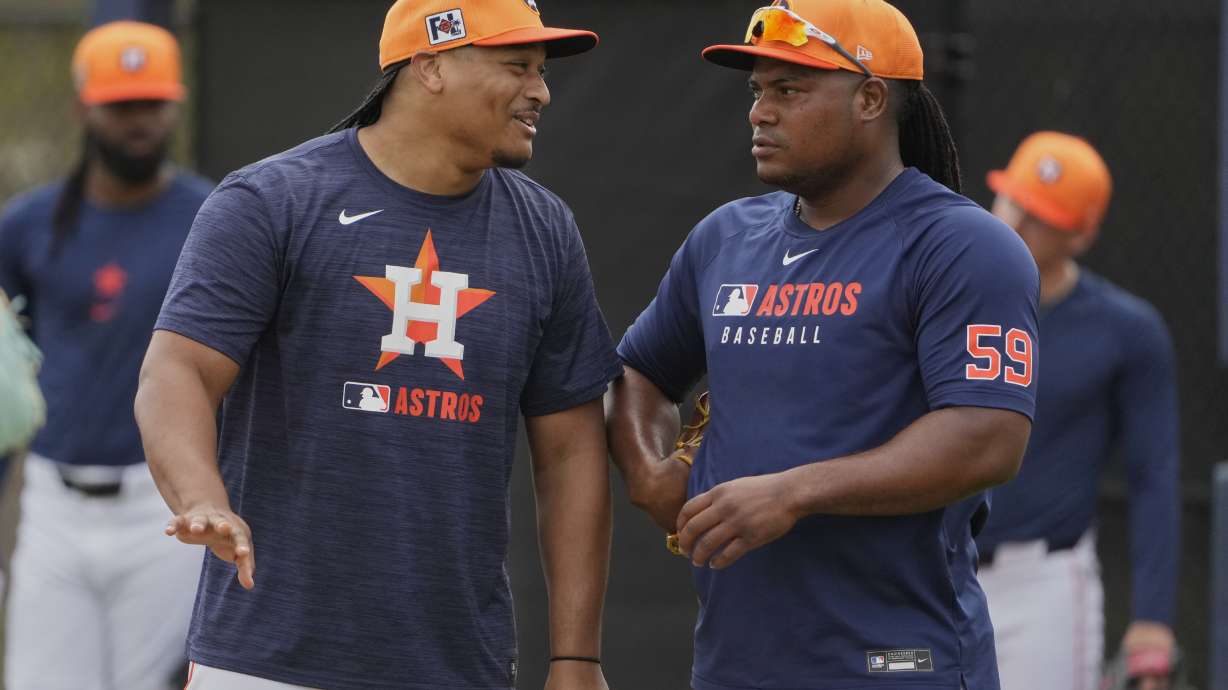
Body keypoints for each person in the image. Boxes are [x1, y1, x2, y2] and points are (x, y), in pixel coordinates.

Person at [133, 1, 621, 689]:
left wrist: (577, 658)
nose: (540, 91)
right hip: (265, 660)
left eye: (541, 71)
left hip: (458, 666)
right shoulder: (271, 201)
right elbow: (177, 370)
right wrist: (201, 498)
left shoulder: (545, 230)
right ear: (430, 66)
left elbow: (571, 451)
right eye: (517, 67)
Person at [606, 1, 1041, 688]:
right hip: (735, 664)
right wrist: (648, 472)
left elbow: (989, 437)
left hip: (895, 663)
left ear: (870, 98)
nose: (760, 112)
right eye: (757, 91)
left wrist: (796, 492)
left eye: (789, 90)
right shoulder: (726, 238)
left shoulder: (962, 245)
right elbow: (638, 372)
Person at [0, 20, 212, 690]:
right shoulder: (29, 223)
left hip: (163, 505)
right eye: (121, 105)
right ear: (83, 109)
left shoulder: (213, 217)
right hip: (53, 503)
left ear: (175, 105)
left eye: (152, 103)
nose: (139, 122)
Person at [977, 131, 1181, 690]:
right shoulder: (940, 305)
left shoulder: (1125, 332)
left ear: (1082, 233)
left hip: (1042, 584)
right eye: (1013, 200)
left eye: (1041, 215)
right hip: (933, 572)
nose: (1016, 222)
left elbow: (1153, 477)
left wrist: (1152, 621)